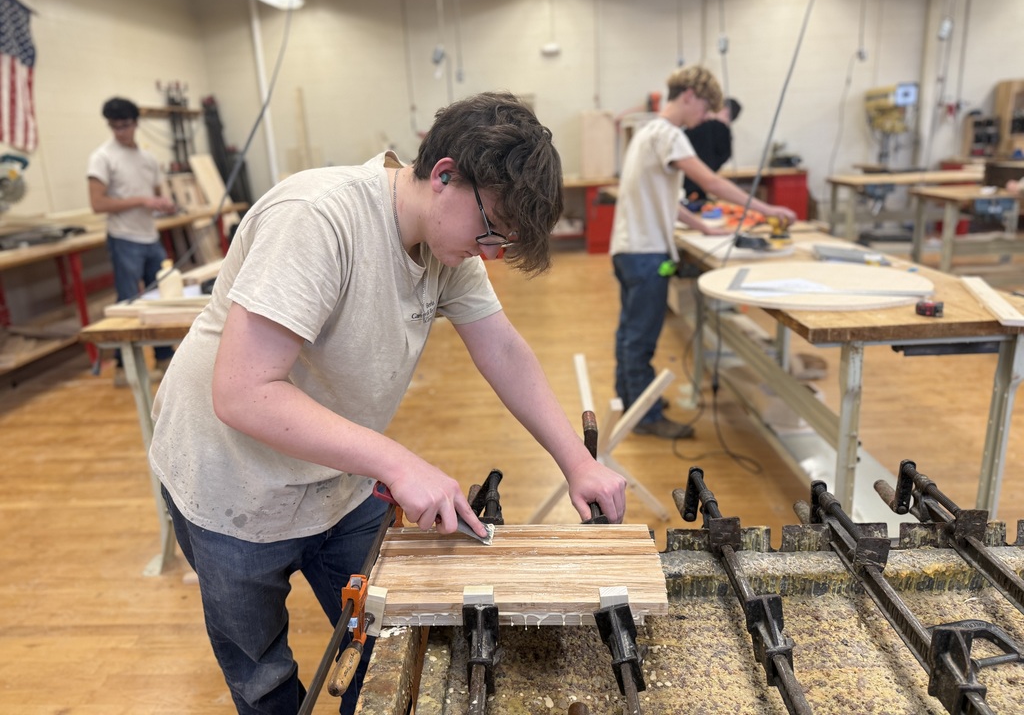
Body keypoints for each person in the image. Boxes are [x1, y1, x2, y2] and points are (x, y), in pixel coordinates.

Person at [147, 92, 628, 715]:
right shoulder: (319, 218)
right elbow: (243, 392)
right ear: (445, 174)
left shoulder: (445, 243)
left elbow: (502, 349)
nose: (489, 252)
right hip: (230, 482)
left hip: (338, 477)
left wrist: (576, 462)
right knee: (263, 677)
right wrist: (400, 464)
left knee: (388, 654)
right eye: (490, 232)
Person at [609, 66, 797, 440]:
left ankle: (634, 401)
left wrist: (705, 227)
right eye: (703, 109)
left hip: (631, 251)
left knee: (631, 332)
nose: (703, 119)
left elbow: (665, 201)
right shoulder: (668, 133)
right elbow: (709, 181)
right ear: (690, 95)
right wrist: (768, 209)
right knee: (640, 337)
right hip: (646, 254)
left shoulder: (647, 132)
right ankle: (643, 417)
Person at [87, 97, 177, 387]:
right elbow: (97, 204)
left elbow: (155, 194)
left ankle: (163, 359)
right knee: (127, 305)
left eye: (125, 125)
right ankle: (124, 370)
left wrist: (163, 203)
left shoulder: (148, 159)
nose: (120, 131)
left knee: (160, 301)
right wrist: (142, 200)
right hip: (124, 238)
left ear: (136, 124)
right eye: (114, 126)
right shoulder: (102, 157)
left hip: (150, 236)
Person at [683, 96, 741, 206]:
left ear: (724, 110)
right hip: (701, 186)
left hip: (685, 184)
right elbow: (725, 156)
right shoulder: (724, 132)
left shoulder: (699, 125)